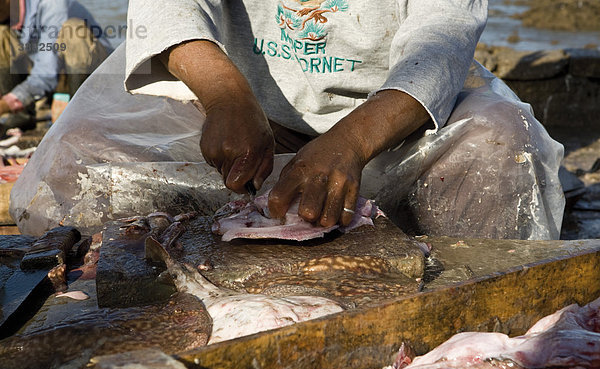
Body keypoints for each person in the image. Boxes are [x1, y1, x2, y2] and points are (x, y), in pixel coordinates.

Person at [9, 0, 565, 240]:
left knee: (500, 146)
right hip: (237, 105)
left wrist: (350, 140)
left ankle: (479, 334)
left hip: (397, 124)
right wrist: (227, 96)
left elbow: (440, 43)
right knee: (81, 152)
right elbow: (168, 8)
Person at [0, 0, 112, 132]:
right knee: (2, 35)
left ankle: (79, 119)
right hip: (54, 74)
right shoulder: (12, 19)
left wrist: (9, 102)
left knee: (73, 32)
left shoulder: (52, 4)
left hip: (92, 76)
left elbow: (47, 71)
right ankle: (21, 117)